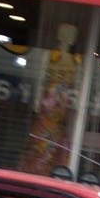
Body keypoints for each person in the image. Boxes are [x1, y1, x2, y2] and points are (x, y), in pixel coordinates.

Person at [19, 22, 80, 176]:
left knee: (54, 148)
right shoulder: (50, 55)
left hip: (62, 106)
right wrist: (37, 100)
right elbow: (41, 77)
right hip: (49, 99)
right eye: (70, 34)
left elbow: (78, 85)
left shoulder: (76, 60)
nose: (72, 38)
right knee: (40, 146)